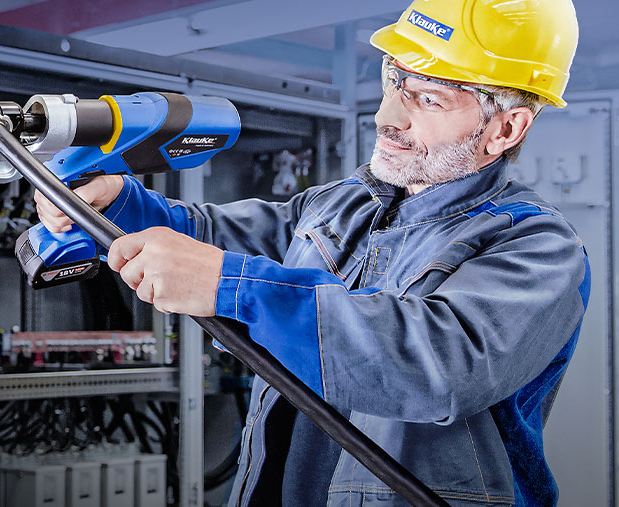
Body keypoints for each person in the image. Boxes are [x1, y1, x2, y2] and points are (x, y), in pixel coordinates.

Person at [35, 0, 587, 504]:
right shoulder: (344, 204)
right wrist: (118, 204)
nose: (387, 117)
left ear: (505, 128)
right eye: (394, 81)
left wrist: (230, 285)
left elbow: (438, 365)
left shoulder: (536, 246)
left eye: (427, 98)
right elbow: (214, 235)